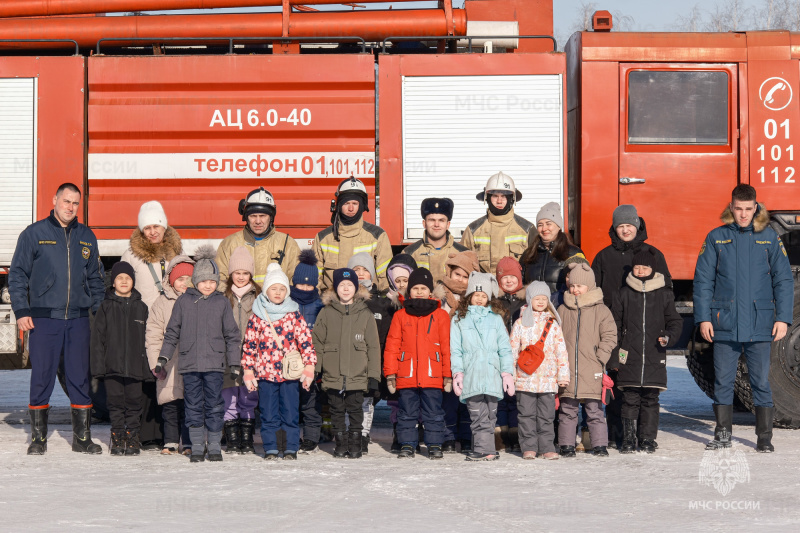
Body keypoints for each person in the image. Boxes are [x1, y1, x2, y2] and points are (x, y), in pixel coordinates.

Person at [694, 184, 794, 453]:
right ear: (731, 207)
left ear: (755, 208)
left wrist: (783, 318)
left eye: (748, 209)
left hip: (760, 324)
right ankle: (723, 434)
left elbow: (783, 280)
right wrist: (703, 318)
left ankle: (764, 437)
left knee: (760, 382)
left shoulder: (769, 238)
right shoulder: (716, 237)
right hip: (724, 323)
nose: (743, 214)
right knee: (723, 381)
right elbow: (703, 280)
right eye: (738, 209)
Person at [9, 182, 105, 455]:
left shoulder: (86, 236)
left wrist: (99, 315)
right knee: (42, 376)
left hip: (78, 320)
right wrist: (22, 311)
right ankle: (38, 439)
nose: (71, 207)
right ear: (55, 200)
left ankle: (82, 438)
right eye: (66, 201)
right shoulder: (34, 234)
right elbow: (17, 275)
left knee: (79, 377)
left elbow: (96, 280)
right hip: (44, 320)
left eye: (75, 203)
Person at [590, 204, 670, 450]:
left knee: (644, 390)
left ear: (637, 225)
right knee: (615, 381)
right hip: (613, 326)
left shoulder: (652, 254)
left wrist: (663, 327)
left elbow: (667, 291)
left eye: (629, 225)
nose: (625, 230)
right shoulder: (604, 256)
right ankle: (619, 434)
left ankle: (645, 437)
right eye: (620, 226)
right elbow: (595, 291)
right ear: (614, 228)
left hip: (643, 331)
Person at [155, 246, 242, 463]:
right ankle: (195, 446)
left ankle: (213, 446)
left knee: (214, 405)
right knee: (192, 405)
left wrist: (234, 362)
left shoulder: (221, 302)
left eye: (212, 282)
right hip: (190, 364)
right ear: (196, 281)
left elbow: (232, 335)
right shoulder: (184, 302)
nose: (208, 285)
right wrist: (163, 358)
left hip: (214, 364)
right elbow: (172, 331)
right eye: (203, 281)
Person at [120, 200, 183, 450]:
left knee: (169, 374)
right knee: (147, 375)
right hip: (144, 321)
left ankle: (168, 431)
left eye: (157, 225)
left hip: (171, 319)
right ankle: (148, 432)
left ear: (165, 227)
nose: (153, 231)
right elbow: (123, 284)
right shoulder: (131, 254)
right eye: (147, 227)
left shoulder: (176, 253)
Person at [241, 263, 317, 460]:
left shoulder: (294, 314)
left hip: (289, 374)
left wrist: (309, 367)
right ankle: (271, 448)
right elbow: (249, 345)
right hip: (265, 375)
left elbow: (306, 342)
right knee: (268, 414)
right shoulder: (257, 316)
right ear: (266, 290)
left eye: (282, 289)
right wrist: (248, 370)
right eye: (274, 288)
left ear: (287, 291)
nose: (278, 292)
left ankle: (291, 447)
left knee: (291, 413)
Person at [609, 250, 682, 454]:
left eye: (645, 267)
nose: (641, 271)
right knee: (629, 398)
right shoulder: (623, 293)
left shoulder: (664, 294)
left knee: (651, 399)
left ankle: (648, 439)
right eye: (637, 267)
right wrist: (615, 354)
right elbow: (613, 324)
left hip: (654, 355)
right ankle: (629, 439)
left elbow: (675, 321)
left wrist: (668, 337)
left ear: (653, 270)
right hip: (628, 356)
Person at [312, 268, 381, 459]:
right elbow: (317, 342)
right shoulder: (326, 313)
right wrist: (316, 369)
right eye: (341, 285)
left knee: (356, 410)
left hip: (358, 373)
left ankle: (356, 444)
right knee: (336, 410)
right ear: (335, 288)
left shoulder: (365, 313)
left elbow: (373, 347)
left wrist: (373, 375)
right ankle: (341, 444)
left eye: (349, 285)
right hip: (333, 372)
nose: (345, 289)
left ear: (356, 288)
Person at [384, 268, 451, 459]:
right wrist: (391, 374)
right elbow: (392, 346)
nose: (419, 291)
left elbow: (446, 347)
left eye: (423, 288)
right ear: (408, 291)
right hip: (407, 374)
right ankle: (407, 444)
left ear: (430, 291)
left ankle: (435, 444)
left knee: (434, 412)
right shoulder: (400, 316)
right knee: (406, 412)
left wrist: (447, 374)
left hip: (433, 374)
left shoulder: (441, 316)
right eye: (415, 288)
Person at [450, 272, 515, 461]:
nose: (479, 299)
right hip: (472, 376)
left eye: (483, 295)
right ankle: (482, 449)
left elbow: (504, 348)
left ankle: (487, 450)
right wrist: (458, 374)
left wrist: (507, 374)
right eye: (476, 295)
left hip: (492, 376)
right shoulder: (459, 320)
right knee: (477, 416)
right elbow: (456, 350)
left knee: (491, 416)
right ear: (470, 296)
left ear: (488, 298)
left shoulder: (495, 319)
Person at [90, 261, 152, 456]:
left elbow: (148, 340)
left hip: (135, 367)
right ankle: (117, 437)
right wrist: (98, 368)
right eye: (120, 278)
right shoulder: (105, 307)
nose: (124, 281)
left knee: (134, 403)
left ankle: (132, 437)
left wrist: (146, 367)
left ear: (133, 281)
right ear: (113, 282)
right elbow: (97, 339)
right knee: (115, 404)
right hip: (112, 367)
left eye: (128, 278)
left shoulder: (141, 307)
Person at [557, 263, 617, 458]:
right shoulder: (563, 309)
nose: (574, 290)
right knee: (567, 410)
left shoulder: (601, 310)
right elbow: (556, 336)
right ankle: (566, 444)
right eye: (572, 286)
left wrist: (600, 356)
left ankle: (600, 444)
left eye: (579, 286)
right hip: (568, 370)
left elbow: (610, 335)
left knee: (594, 409)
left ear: (589, 286)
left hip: (592, 367)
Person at [509, 281, 570, 460]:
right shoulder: (520, 323)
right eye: (537, 298)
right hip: (524, 378)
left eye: (544, 298)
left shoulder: (553, 324)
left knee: (546, 416)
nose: (541, 301)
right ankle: (528, 447)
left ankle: (547, 447)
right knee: (526, 415)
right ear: (530, 299)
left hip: (548, 379)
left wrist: (563, 376)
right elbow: (512, 350)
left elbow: (561, 351)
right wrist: (511, 374)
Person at [145, 254, 195, 455]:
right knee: (170, 404)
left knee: (191, 405)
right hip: (169, 362)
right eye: (180, 279)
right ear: (171, 280)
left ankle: (189, 442)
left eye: (188, 279)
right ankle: (171, 441)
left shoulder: (199, 301)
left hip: (192, 361)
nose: (184, 284)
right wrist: (155, 362)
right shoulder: (162, 303)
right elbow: (153, 334)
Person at [432, 250, 479, 453]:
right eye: (457, 274)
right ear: (449, 273)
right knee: (448, 400)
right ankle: (448, 436)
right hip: (447, 354)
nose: (460, 279)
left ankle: (466, 436)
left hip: (469, 356)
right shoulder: (439, 295)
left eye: (465, 276)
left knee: (467, 399)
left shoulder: (475, 298)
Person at [347, 252, 395, 454]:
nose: (360, 274)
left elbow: (385, 333)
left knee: (367, 399)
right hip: (349, 359)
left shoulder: (381, 302)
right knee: (350, 398)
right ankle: (352, 434)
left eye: (364, 270)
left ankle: (363, 435)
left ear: (372, 274)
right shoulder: (344, 299)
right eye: (355, 270)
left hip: (371, 360)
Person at [313, 177, 393, 291]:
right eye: (346, 203)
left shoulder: (377, 236)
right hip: (332, 302)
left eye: (355, 203)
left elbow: (385, 279)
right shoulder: (323, 238)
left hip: (366, 302)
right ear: (339, 205)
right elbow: (315, 278)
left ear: (362, 205)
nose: (351, 208)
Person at [216, 187, 300, 288]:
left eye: (263, 215)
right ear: (246, 217)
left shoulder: (288, 244)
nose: (258, 221)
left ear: (271, 217)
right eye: (253, 216)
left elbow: (296, 282)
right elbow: (221, 280)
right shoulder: (230, 243)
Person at [221, 246, 261, 455]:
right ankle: (232, 437)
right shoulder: (223, 296)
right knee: (229, 396)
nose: (241, 277)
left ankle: (247, 437)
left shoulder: (258, 295)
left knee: (248, 396)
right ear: (231, 274)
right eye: (237, 273)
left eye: (245, 273)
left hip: (250, 355)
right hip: (228, 355)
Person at [461, 172, 534, 274]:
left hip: (515, 288)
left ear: (512, 199)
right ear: (487, 198)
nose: (499, 201)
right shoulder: (473, 230)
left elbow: (535, 267)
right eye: (495, 196)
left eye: (504, 196)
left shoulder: (527, 229)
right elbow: (463, 266)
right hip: (483, 289)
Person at [291, 249, 326, 454]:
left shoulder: (320, 305)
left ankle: (311, 438)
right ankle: (291, 435)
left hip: (312, 363)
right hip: (289, 362)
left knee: (311, 403)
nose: (304, 288)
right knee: (290, 402)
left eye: (309, 284)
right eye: (300, 284)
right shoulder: (286, 303)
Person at [383, 253, 417, 452]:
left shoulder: (421, 301)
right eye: (398, 280)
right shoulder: (387, 303)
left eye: (406, 280)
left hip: (415, 358)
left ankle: (416, 431)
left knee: (416, 400)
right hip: (397, 359)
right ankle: (399, 432)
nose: (402, 284)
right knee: (396, 402)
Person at [494, 256, 526, 452]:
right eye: (504, 277)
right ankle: (500, 436)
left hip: (519, 358)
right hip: (499, 357)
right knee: (500, 398)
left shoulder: (525, 302)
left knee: (516, 399)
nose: (508, 280)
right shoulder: (495, 302)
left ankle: (515, 436)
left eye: (512, 276)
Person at [521, 202, 585, 292]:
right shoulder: (528, 254)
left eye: (548, 224)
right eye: (540, 225)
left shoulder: (574, 253)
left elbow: (583, 285)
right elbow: (521, 284)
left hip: (562, 305)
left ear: (558, 226)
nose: (544, 229)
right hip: (534, 305)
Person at [402, 198, 467, 284]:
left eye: (441, 220)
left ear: (448, 224)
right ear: (424, 223)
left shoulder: (463, 254)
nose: (436, 224)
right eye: (432, 220)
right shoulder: (409, 253)